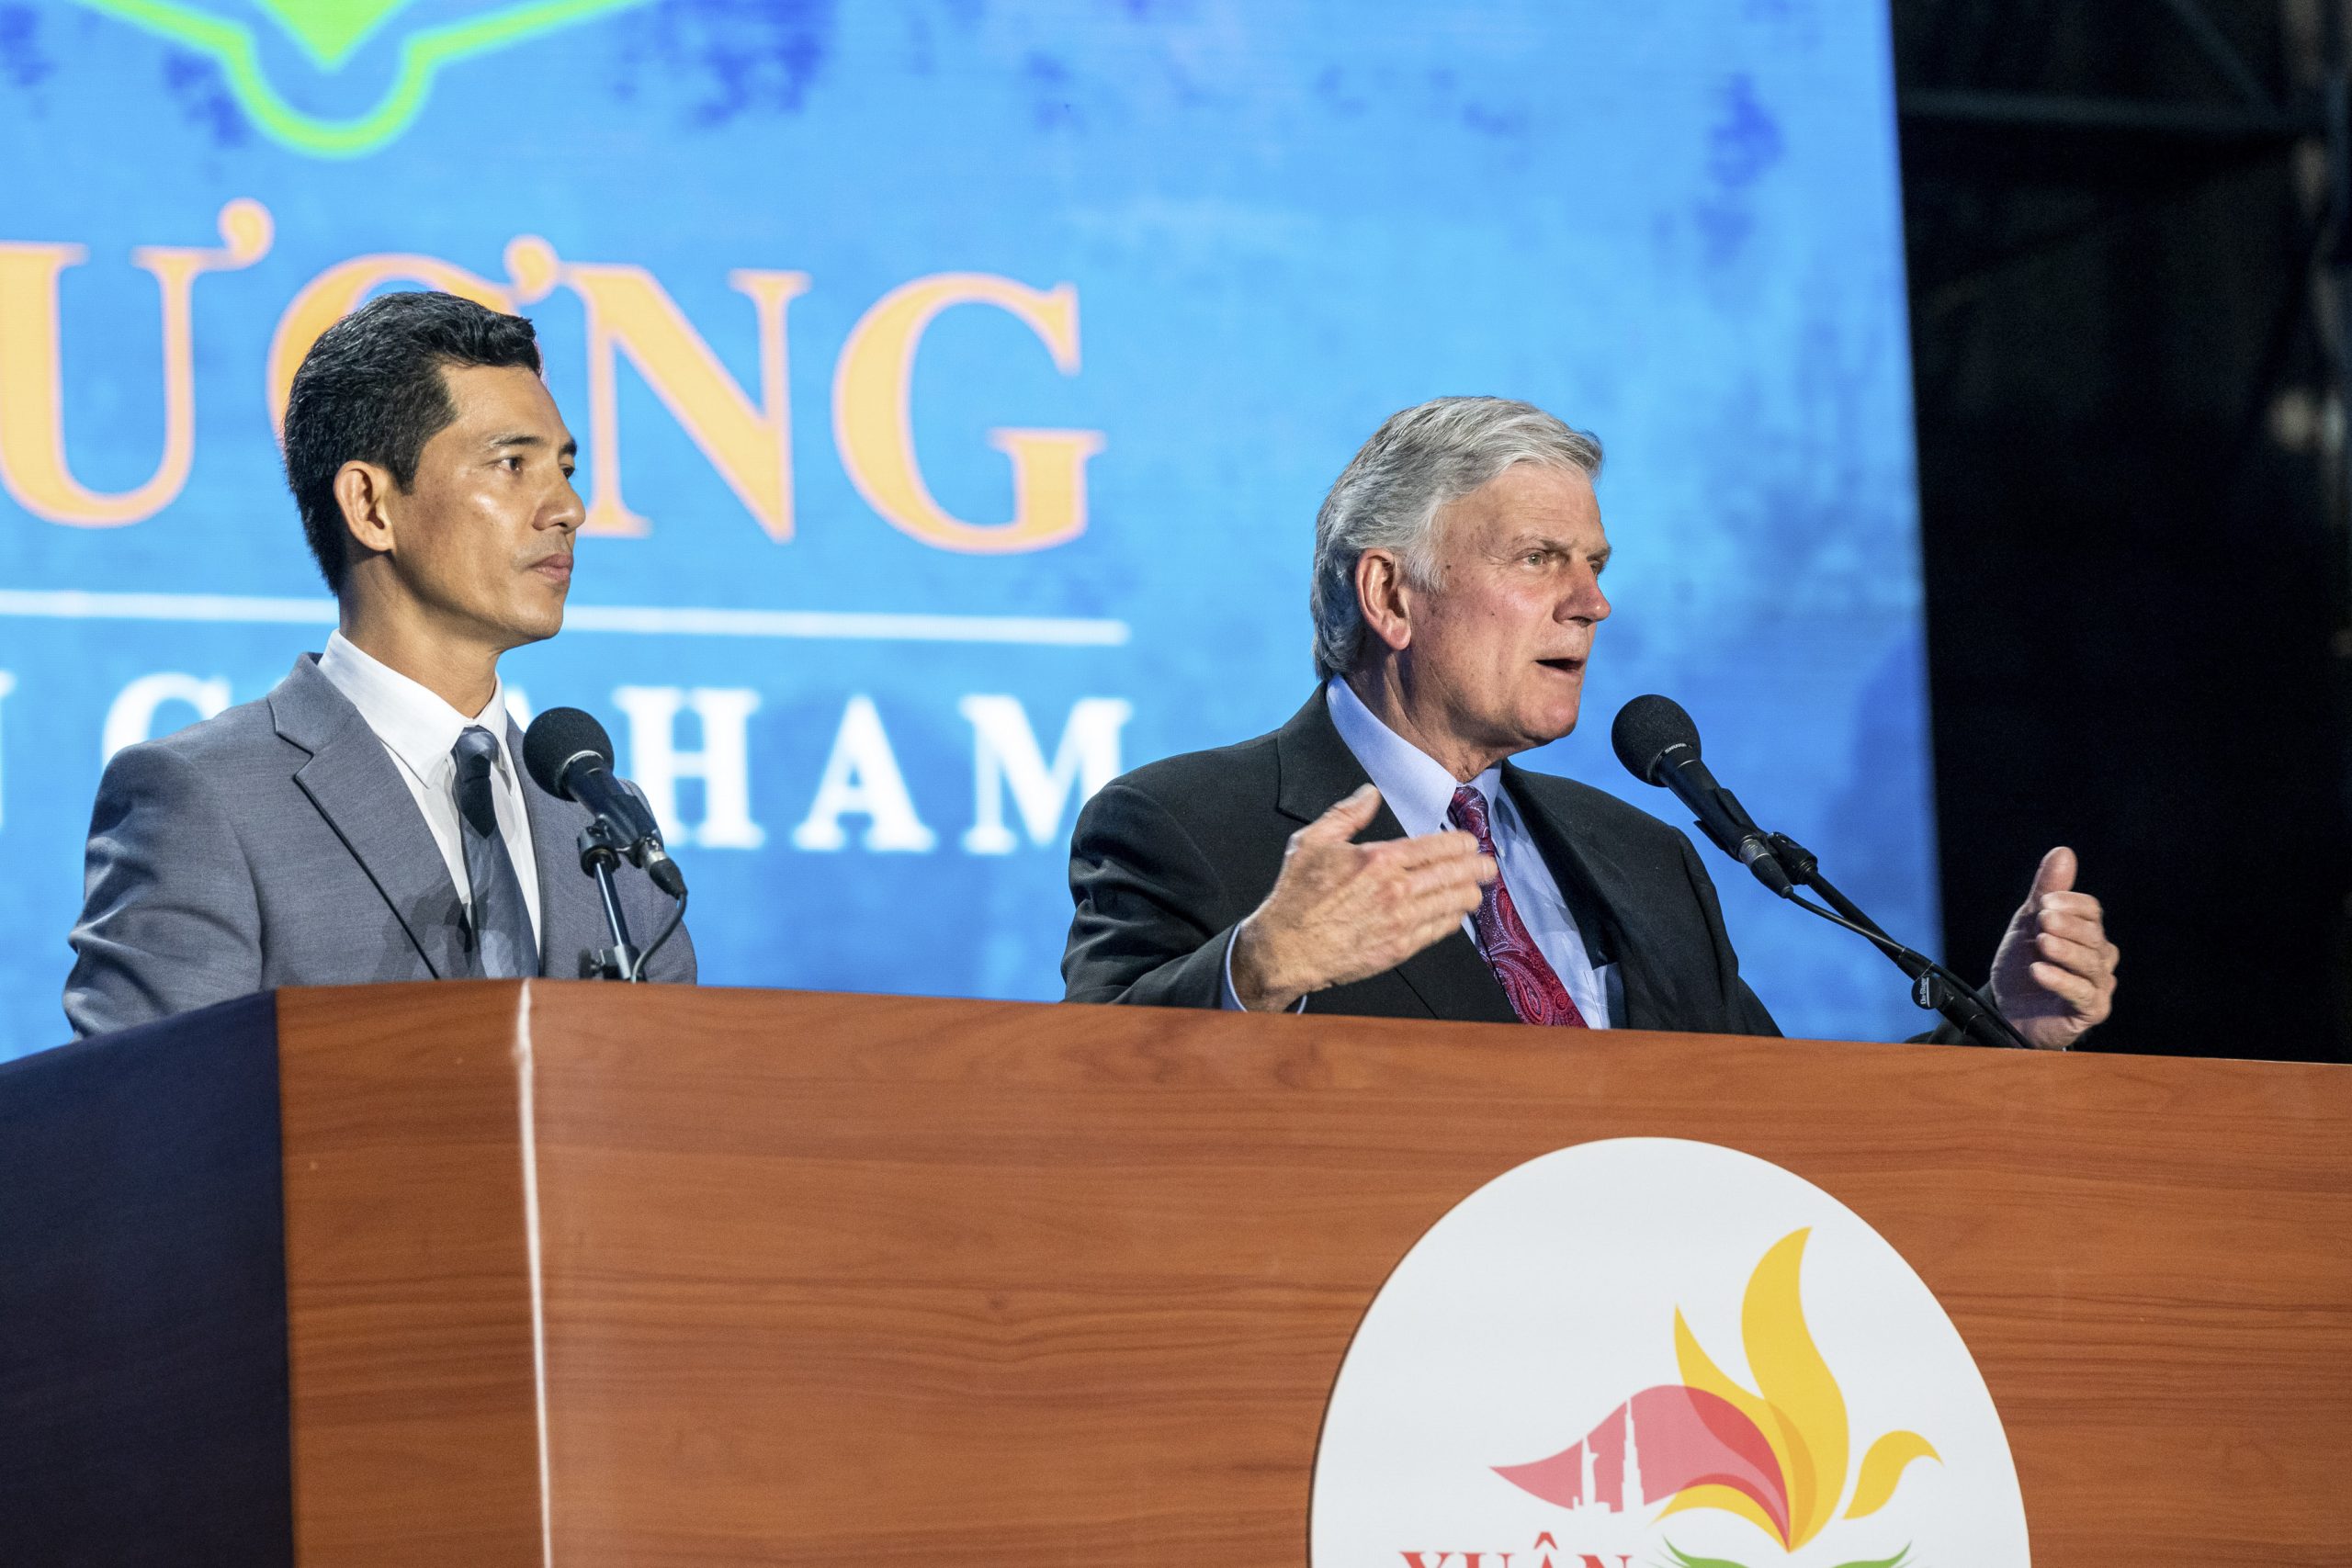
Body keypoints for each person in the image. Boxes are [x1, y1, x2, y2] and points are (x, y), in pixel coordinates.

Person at [1062, 397, 2115, 1045]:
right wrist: (1257, 970)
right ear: (1390, 597)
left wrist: (2002, 1027)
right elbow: (1085, 1106)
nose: (1591, 603)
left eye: (1595, 566)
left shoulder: (1642, 858)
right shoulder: (1184, 823)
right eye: (1537, 560)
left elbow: (1785, 1140)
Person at [63, 291, 693, 1039]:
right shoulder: (207, 801)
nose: (567, 507)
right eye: (512, 463)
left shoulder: (602, 818)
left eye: (564, 467)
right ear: (370, 505)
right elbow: (148, 1123)